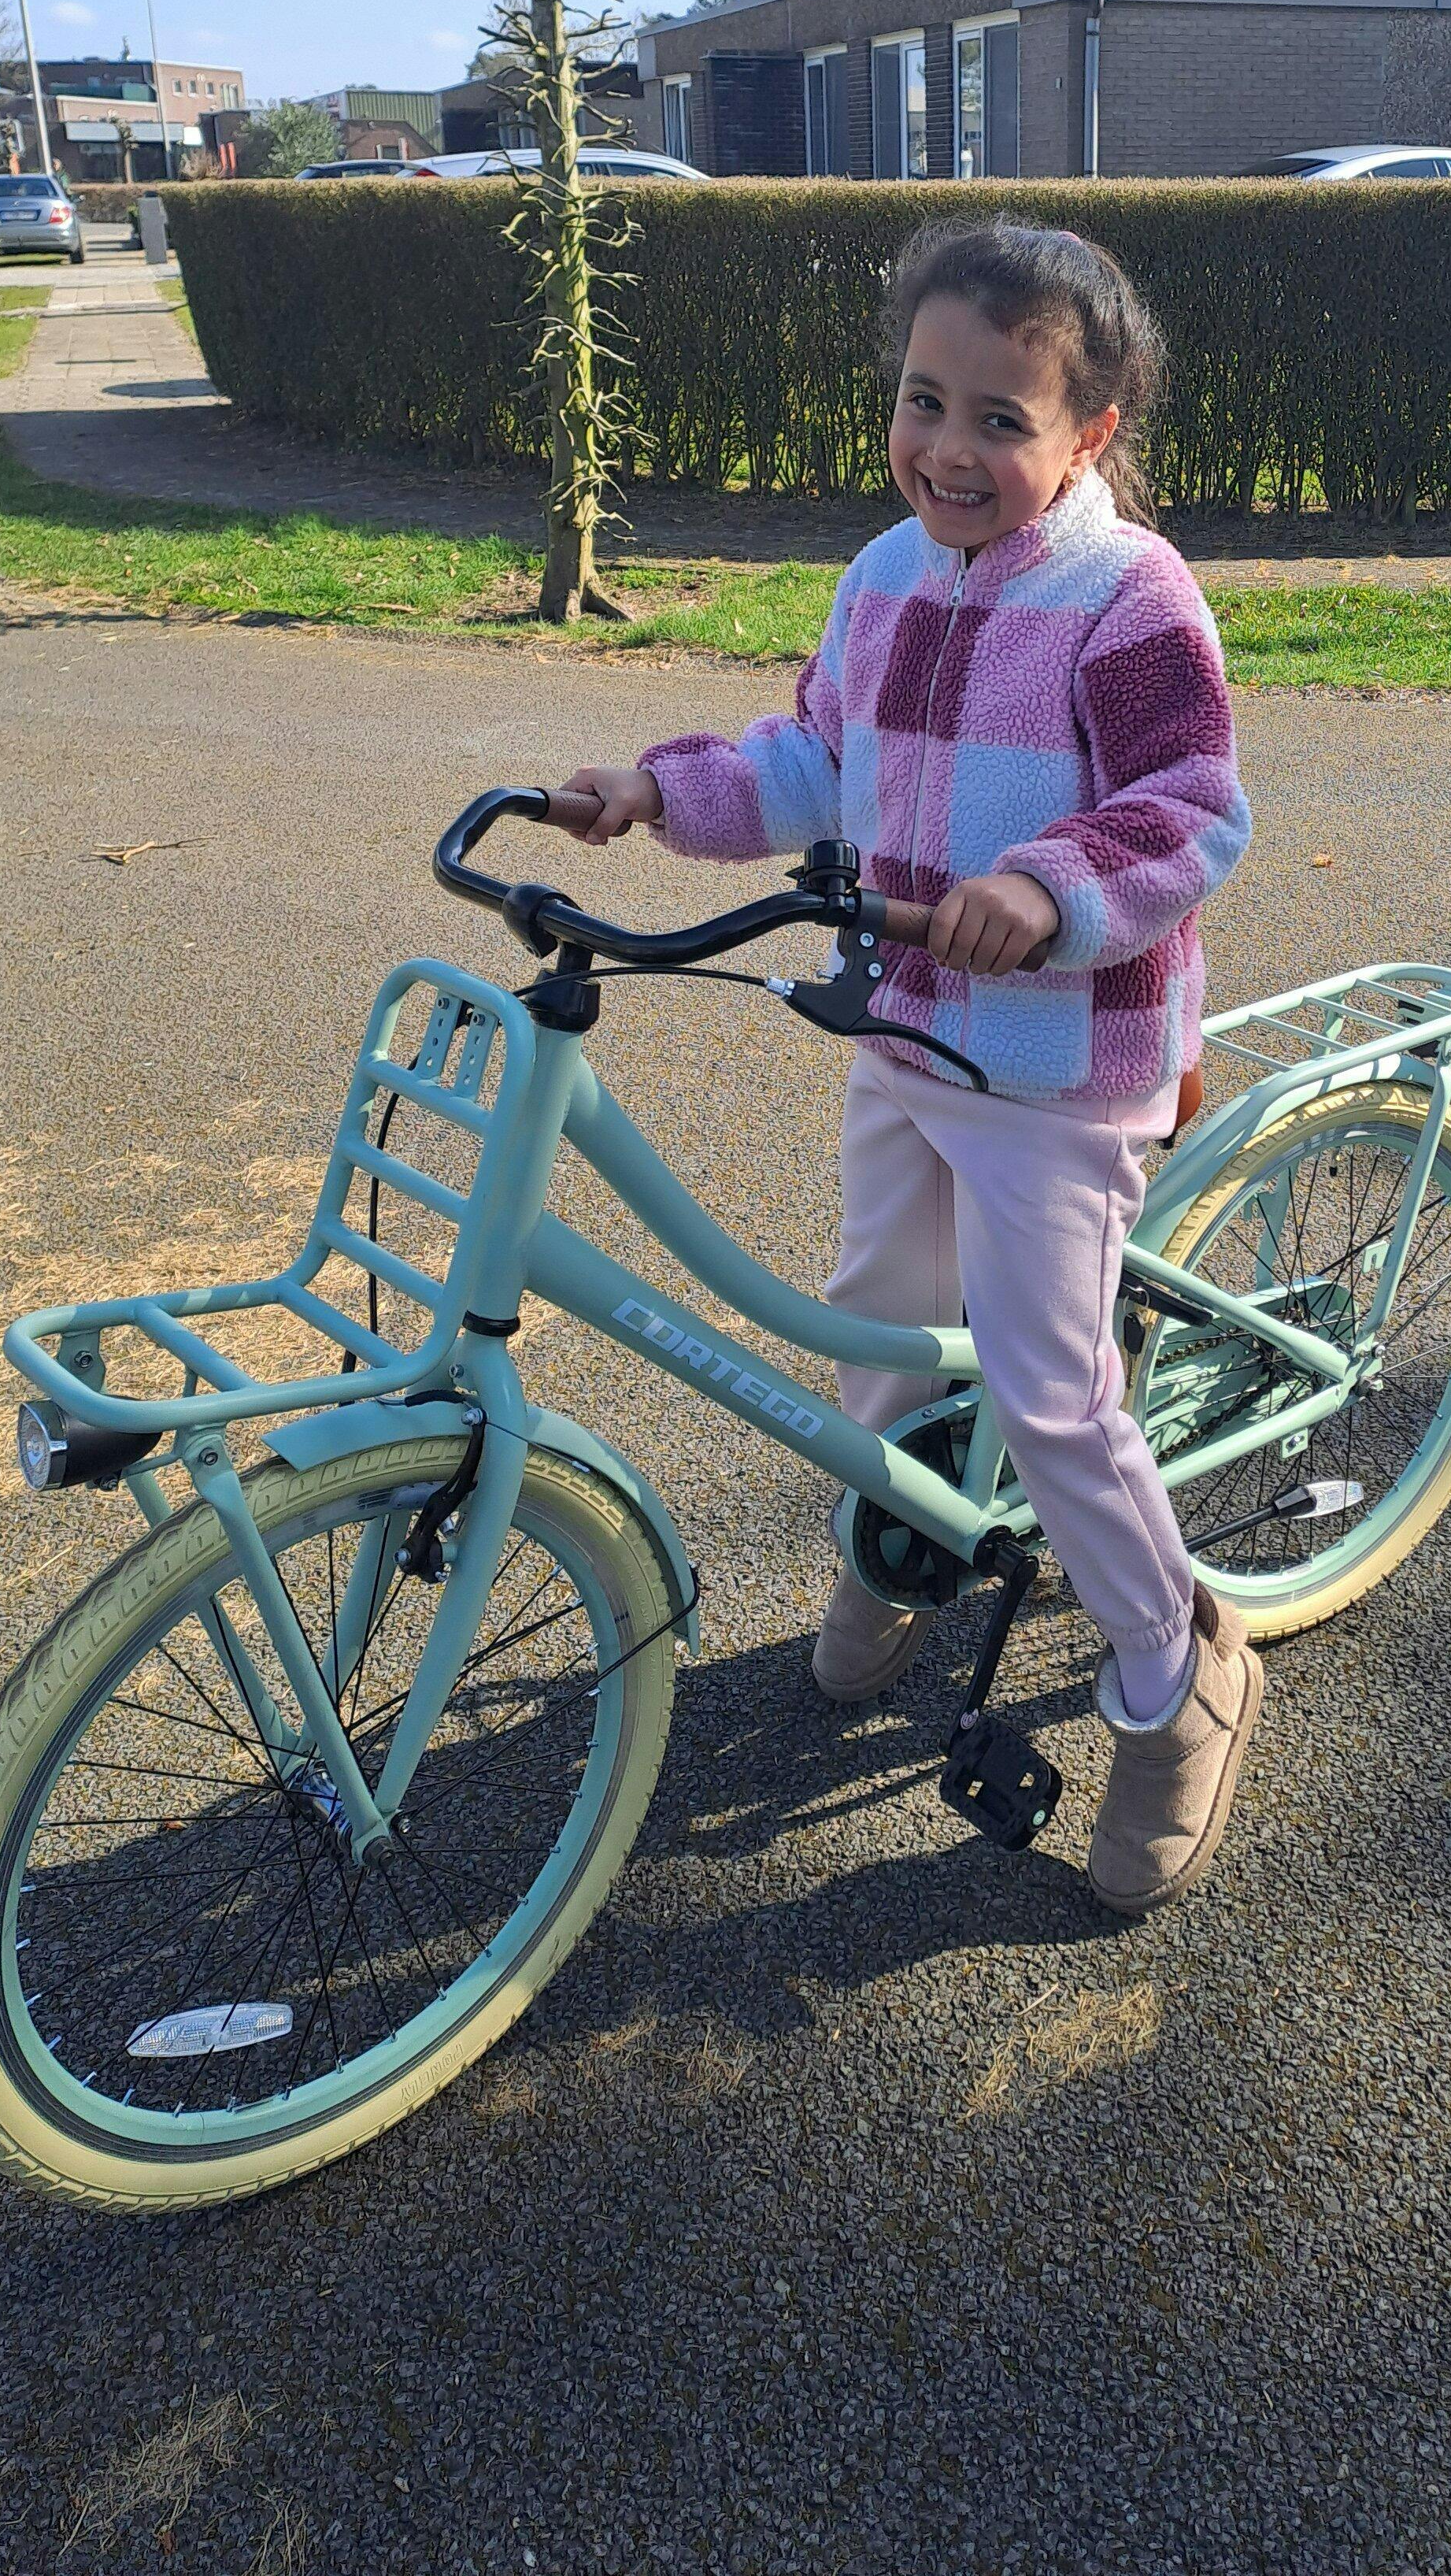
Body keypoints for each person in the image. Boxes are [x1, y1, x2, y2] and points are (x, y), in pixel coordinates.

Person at [557, 219, 1257, 1915]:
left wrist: (1048, 886)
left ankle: (1180, 1671)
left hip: (1056, 1068)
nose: (949, 446)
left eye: (1003, 419)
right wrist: (659, 791)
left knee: (1049, 1385)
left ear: (1089, 434)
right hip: (904, 1033)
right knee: (877, 1318)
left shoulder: (1128, 595)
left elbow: (1191, 809)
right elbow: (813, 755)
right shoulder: (881, 574)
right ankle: (905, 1536)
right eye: (925, 400)